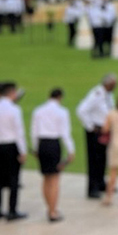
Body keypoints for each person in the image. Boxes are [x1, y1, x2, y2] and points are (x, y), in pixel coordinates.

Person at [0, 83, 27, 221]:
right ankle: (12, 210)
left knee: (0, 179)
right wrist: (23, 151)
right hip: (11, 146)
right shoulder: (14, 109)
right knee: (14, 178)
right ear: (12, 93)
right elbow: (19, 131)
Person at [31, 88, 75, 222]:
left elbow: (34, 132)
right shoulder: (62, 112)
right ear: (60, 98)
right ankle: (53, 210)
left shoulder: (38, 111)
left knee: (46, 178)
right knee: (55, 178)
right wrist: (70, 150)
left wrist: (35, 148)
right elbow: (65, 133)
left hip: (42, 144)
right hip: (54, 144)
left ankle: (49, 207)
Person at [77, 75, 117, 199]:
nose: (115, 86)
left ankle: (101, 183)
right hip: (96, 130)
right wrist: (91, 126)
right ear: (107, 84)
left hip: (105, 129)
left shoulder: (108, 94)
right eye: (113, 84)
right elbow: (82, 110)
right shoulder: (97, 94)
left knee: (103, 158)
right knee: (94, 159)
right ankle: (92, 188)